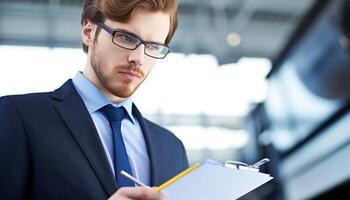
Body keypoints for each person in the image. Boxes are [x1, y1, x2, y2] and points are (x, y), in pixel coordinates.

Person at [0, 0, 189, 199]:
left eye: (153, 46)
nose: (139, 58)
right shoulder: (18, 118)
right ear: (89, 32)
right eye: (126, 37)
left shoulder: (173, 148)